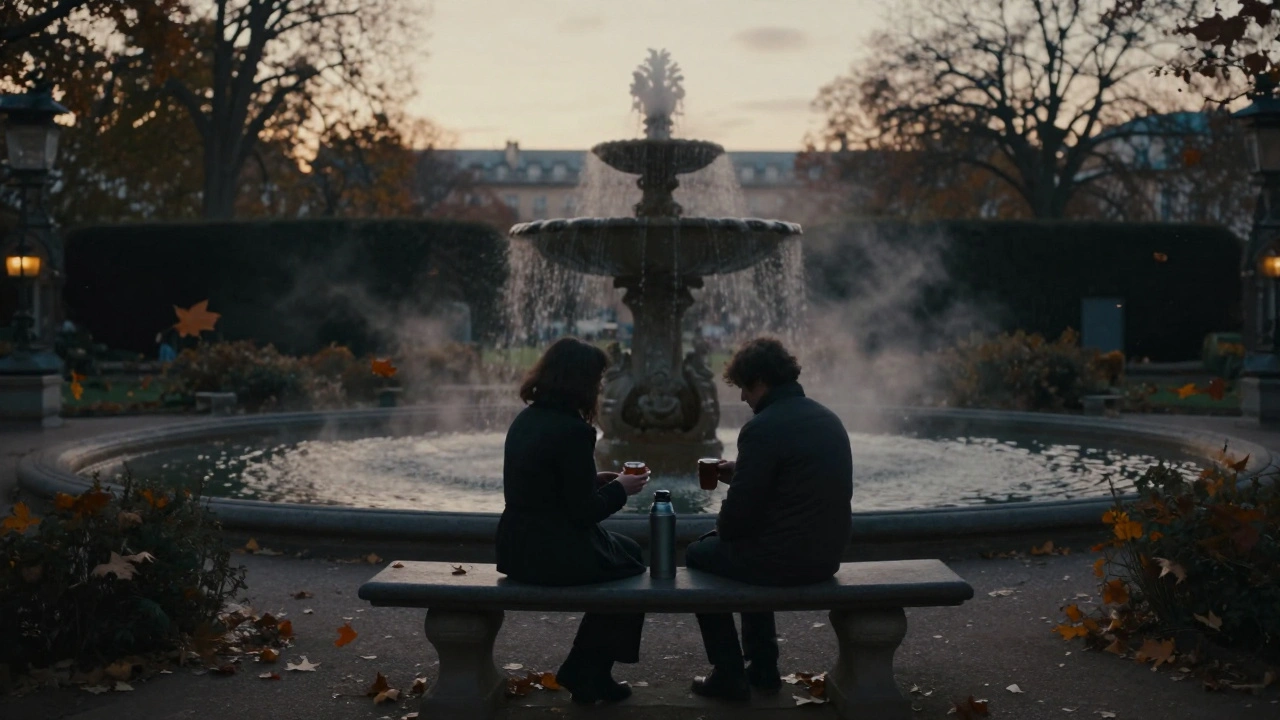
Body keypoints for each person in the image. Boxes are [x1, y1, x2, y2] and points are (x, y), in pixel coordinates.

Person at [686, 337, 853, 701]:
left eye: (744, 388)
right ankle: (762, 668)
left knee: (699, 555)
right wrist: (744, 472)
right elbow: (796, 486)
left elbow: (734, 522)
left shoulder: (762, 427)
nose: (742, 397)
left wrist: (733, 501)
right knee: (753, 548)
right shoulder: (828, 419)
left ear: (760, 381)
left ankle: (728, 673)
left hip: (785, 562)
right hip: (827, 557)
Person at [495, 337, 652, 704]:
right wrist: (622, 489)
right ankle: (588, 669)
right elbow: (584, 514)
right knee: (632, 568)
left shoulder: (527, 419)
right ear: (581, 382)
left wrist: (593, 481)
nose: (600, 387)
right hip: (551, 551)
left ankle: (590, 670)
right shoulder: (574, 430)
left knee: (628, 554)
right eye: (597, 380)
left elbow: (541, 485)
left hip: (516, 545)